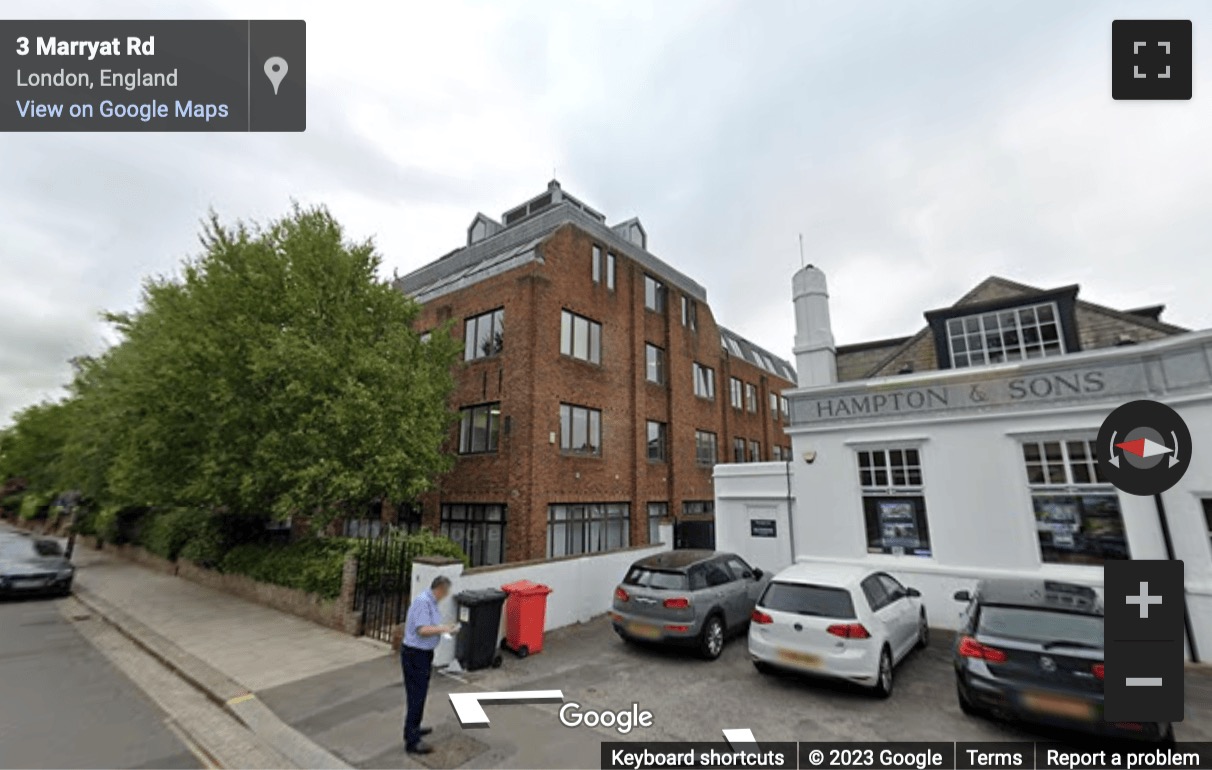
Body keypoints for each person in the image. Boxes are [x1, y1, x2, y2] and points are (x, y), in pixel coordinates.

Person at [401, 575, 457, 754]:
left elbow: (430, 625)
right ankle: (412, 741)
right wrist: (444, 629)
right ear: (440, 589)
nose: (446, 595)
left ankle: (414, 727)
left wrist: (444, 628)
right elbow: (422, 629)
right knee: (416, 694)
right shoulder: (423, 602)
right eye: (446, 591)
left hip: (422, 654)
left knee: (420, 693)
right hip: (415, 654)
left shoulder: (431, 603)